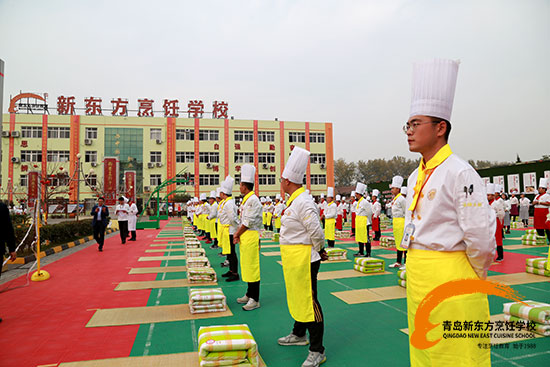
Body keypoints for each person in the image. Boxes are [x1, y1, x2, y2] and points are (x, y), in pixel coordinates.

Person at [403, 58, 495, 366]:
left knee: (458, 355)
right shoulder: (415, 175)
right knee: (425, 351)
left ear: (440, 128)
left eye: (416, 124)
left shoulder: (460, 172)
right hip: (418, 275)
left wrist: (473, 273)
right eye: (408, 124)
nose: (409, 131)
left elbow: (480, 236)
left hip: (451, 275)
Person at [277, 146, 327, 367]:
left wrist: (320, 248)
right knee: (299, 297)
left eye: (281, 179)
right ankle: (298, 334)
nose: (281, 182)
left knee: (309, 301)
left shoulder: (303, 201)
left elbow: (316, 230)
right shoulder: (294, 200)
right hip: (294, 258)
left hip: (305, 258)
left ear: (288, 180)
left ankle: (318, 350)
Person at [233, 164, 262, 311]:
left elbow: (248, 222)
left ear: (245, 186)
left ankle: (255, 299)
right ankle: (249, 293)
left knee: (252, 267)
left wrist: (237, 233)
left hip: (250, 235)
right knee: (246, 266)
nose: (239, 187)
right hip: (246, 236)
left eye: (240, 184)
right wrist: (239, 234)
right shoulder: (246, 199)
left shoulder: (253, 200)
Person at [219, 177, 241, 281]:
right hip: (227, 230)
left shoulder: (229, 203)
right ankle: (231, 270)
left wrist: (236, 228)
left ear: (223, 193)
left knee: (232, 253)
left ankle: (235, 273)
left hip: (230, 230)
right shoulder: (226, 202)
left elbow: (232, 218)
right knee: (229, 252)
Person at [0, 201, 17, 322]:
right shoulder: (1, 207)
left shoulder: (2, 208)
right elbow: (8, 229)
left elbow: (7, 228)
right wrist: (12, 248)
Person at [389, 176, 407, 268]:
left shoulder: (402, 199)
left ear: (398, 189)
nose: (391, 190)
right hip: (396, 222)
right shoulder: (395, 199)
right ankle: (398, 261)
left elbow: (406, 211)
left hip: (401, 222)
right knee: (398, 242)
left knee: (404, 242)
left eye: (393, 188)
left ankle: (406, 262)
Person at [354, 183, 372, 257]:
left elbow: (369, 212)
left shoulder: (365, 202)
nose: (355, 195)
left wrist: (369, 221)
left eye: (356, 193)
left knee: (366, 237)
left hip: (364, 221)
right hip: (359, 221)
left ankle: (368, 253)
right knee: (359, 237)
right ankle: (361, 251)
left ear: (359, 194)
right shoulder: (359, 202)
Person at [487, 184, 504, 261]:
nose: (487, 197)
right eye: (487, 195)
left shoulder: (497, 203)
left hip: (496, 221)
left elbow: (501, 214)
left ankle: (500, 255)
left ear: (493, 196)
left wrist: (500, 223)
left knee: (498, 239)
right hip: (488, 222)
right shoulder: (486, 204)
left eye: (489, 195)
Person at [533, 178, 550, 243]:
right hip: (537, 212)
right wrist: (534, 203)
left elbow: (548, 203)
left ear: (544, 189)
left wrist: (539, 203)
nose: (538, 189)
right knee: (538, 227)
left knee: (547, 227)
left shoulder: (547, 195)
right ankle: (541, 240)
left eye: (540, 188)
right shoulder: (537, 195)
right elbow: (533, 202)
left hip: (544, 212)